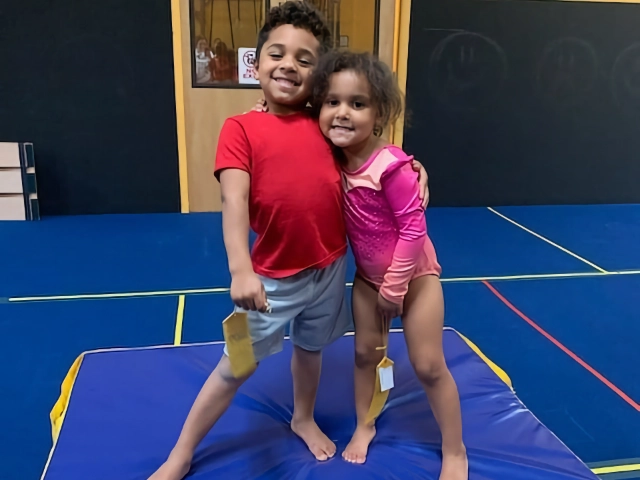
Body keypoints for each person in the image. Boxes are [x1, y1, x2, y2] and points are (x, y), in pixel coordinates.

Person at [148, 3, 428, 479]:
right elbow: (233, 200)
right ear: (257, 64)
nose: (289, 65)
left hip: (329, 270)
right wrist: (240, 268)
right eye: (278, 54)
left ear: (317, 76)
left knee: (311, 349)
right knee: (234, 365)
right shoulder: (241, 128)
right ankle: (182, 452)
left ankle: (303, 417)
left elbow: (375, 157)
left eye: (305, 59)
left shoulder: (324, 122)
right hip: (269, 283)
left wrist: (416, 168)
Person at [312, 50, 468, 479]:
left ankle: (455, 450)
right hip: (366, 280)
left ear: (379, 113)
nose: (343, 113)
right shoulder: (331, 158)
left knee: (428, 365)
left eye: (357, 104)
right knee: (365, 354)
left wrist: (395, 288)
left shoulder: (392, 167)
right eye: (332, 102)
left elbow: (414, 230)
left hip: (415, 280)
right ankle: (365, 424)